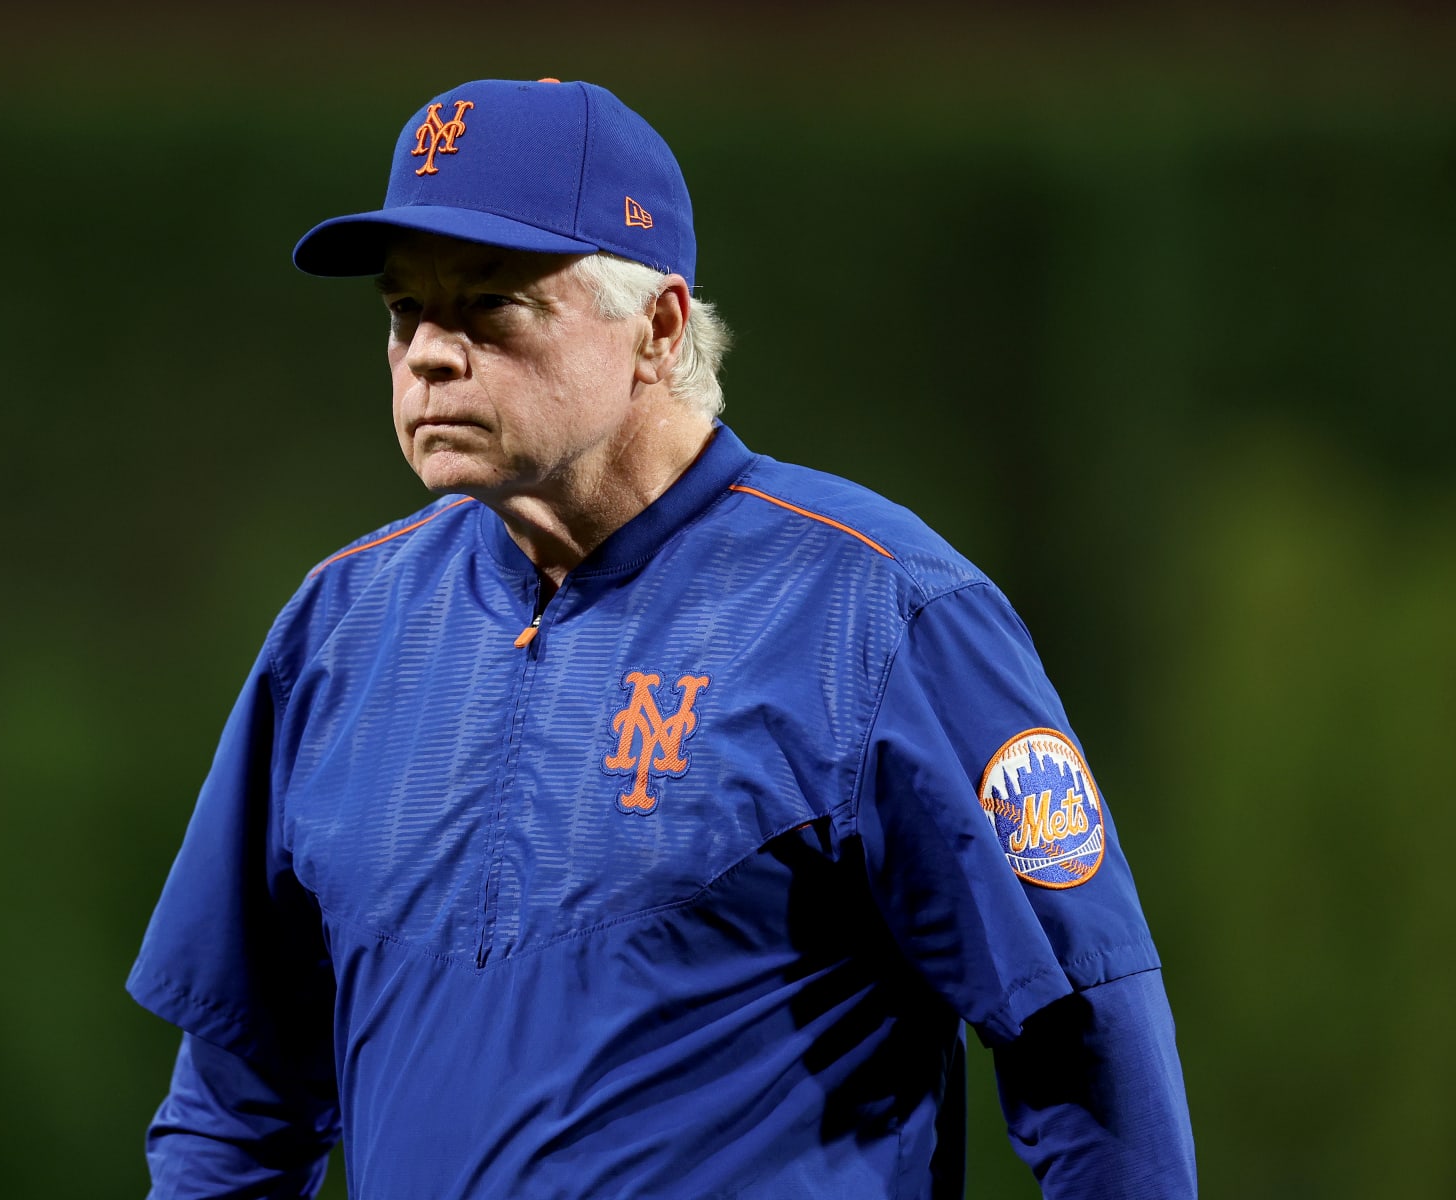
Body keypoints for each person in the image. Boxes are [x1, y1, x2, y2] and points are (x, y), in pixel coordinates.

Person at [127, 78, 1195, 1199]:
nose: (430, 353)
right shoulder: (339, 630)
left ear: (659, 328)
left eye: (491, 305)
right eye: (405, 311)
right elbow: (237, 1108)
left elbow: (1088, 1055)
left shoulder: (875, 609)